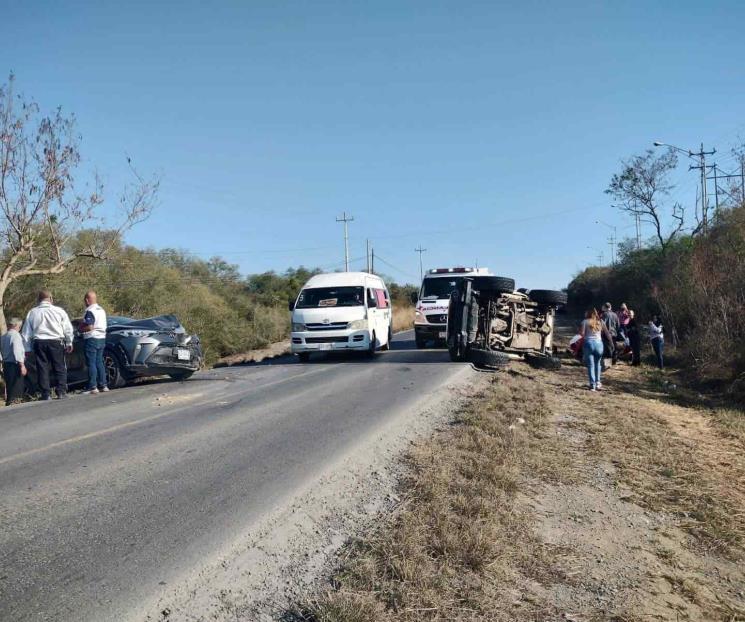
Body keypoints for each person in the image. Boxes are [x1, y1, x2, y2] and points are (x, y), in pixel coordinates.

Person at [22, 290, 74, 400]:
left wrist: (27, 348)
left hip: (39, 342)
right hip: (56, 341)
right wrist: (69, 342)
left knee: (42, 368)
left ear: (38, 299)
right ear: (51, 298)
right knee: (59, 366)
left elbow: (26, 333)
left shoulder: (32, 312)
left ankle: (45, 393)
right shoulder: (59, 311)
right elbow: (67, 328)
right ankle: (61, 391)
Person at [80, 290, 109, 395]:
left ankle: (93, 386)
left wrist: (81, 329)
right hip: (102, 338)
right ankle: (103, 385)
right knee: (99, 362)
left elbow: (90, 326)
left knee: (91, 362)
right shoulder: (101, 310)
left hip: (92, 338)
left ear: (87, 300)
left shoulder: (90, 310)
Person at [1, 318, 28, 405]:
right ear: (16, 326)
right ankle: (15, 401)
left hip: (6, 363)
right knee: (16, 384)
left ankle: (9, 401)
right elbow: (17, 350)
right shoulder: (15, 335)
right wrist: (22, 365)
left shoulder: (3, 337)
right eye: (20, 326)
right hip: (14, 364)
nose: (20, 328)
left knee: (9, 384)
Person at [580, 308, 605, 391]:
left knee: (591, 365)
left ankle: (592, 385)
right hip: (599, 345)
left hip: (589, 344)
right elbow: (604, 333)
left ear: (588, 313)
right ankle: (598, 383)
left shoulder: (584, 322)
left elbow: (582, 334)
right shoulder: (600, 322)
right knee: (598, 364)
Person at [601, 302, 620, 367]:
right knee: (613, 348)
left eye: (603, 307)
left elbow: (602, 325)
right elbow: (618, 325)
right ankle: (614, 362)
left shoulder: (604, 314)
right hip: (614, 334)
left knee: (607, 349)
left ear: (605, 307)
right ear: (610, 307)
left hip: (607, 334)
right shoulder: (615, 315)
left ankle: (608, 364)